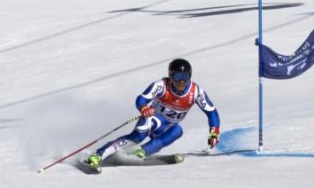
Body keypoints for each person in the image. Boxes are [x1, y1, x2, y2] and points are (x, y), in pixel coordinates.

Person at [84, 58, 220, 171]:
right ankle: (98, 155)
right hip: (153, 119)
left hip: (167, 127)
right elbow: (141, 99)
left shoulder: (196, 92)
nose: (181, 82)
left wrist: (214, 133)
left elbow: (211, 112)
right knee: (137, 136)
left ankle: (141, 152)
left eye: (185, 77)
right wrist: (143, 108)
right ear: (170, 75)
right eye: (178, 77)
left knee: (177, 131)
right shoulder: (161, 85)